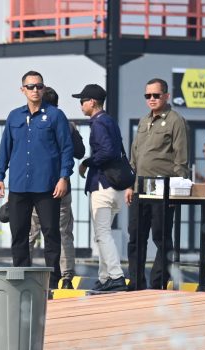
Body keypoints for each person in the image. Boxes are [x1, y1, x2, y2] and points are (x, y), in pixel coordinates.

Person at [0, 70, 73, 289]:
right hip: (19, 185)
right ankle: (21, 276)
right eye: (30, 87)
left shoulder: (56, 116)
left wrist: (63, 177)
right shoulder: (14, 117)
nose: (35, 90)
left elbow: (66, 149)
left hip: (47, 185)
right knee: (19, 233)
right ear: (23, 90)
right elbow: (4, 149)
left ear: (44, 88)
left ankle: (54, 280)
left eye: (39, 86)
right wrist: (0, 176)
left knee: (51, 233)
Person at [124, 78, 189, 290]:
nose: (151, 99)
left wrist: (176, 192)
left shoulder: (175, 120)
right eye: (147, 96)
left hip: (163, 186)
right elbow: (135, 157)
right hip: (140, 185)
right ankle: (136, 283)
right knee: (136, 237)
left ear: (166, 96)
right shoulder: (143, 122)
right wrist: (129, 185)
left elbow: (181, 160)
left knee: (161, 237)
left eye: (156, 95)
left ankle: (158, 282)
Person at [27, 86, 84, 289]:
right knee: (62, 232)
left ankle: (23, 274)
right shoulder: (66, 125)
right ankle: (66, 277)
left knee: (30, 231)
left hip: (35, 187)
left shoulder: (32, 123)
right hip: (61, 186)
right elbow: (80, 151)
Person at [75, 83, 128, 292]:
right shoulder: (110, 121)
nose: (80, 105)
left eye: (82, 101)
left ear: (92, 102)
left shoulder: (98, 123)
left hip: (103, 185)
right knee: (101, 234)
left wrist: (87, 162)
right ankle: (105, 276)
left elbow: (106, 152)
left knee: (103, 233)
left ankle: (116, 276)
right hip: (116, 187)